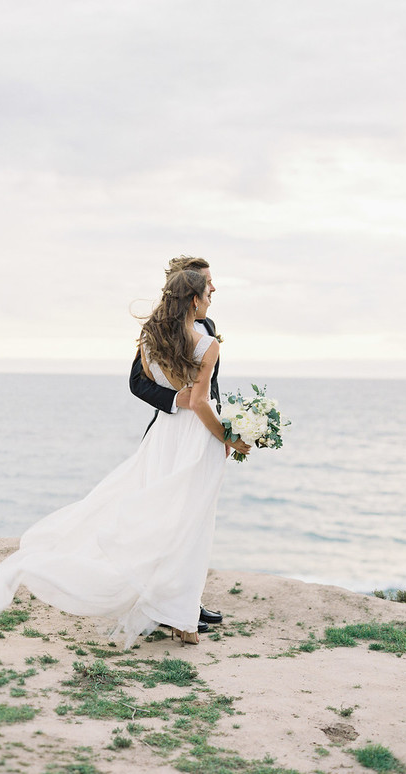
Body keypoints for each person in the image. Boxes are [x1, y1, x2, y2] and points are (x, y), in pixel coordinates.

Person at [0, 269, 250, 647]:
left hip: (164, 437)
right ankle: (181, 620)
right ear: (193, 299)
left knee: (165, 519)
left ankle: (175, 612)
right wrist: (229, 436)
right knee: (190, 524)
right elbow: (200, 401)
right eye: (208, 289)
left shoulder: (151, 341)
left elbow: (182, 392)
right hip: (194, 437)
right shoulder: (207, 344)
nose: (212, 294)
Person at [129, 256, 226, 633]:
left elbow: (209, 388)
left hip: (200, 429)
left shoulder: (208, 327)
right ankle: (165, 605)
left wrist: (224, 424)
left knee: (191, 520)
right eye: (207, 283)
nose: (213, 289)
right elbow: (138, 383)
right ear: (190, 291)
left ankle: (187, 604)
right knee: (172, 520)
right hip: (171, 429)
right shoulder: (156, 331)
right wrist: (177, 402)